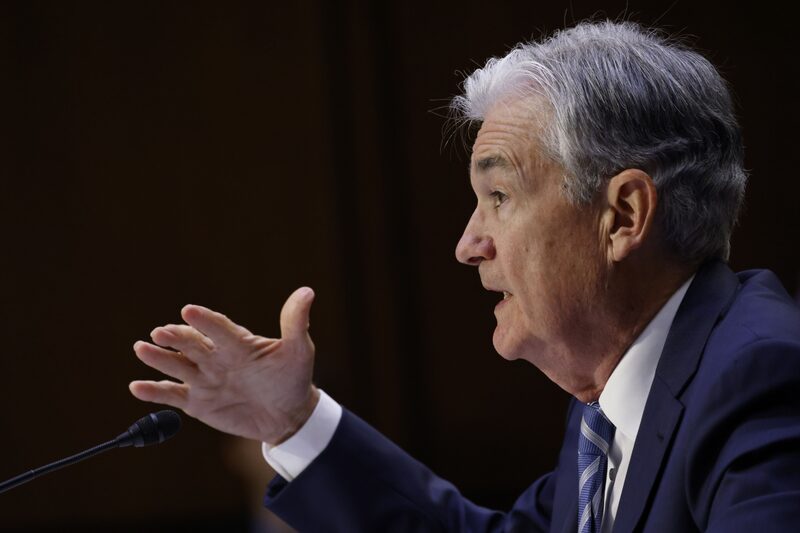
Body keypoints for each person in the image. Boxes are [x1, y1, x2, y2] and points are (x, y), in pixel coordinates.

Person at [129, 21, 800, 532]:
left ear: (622, 215)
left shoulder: (761, 379)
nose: (467, 245)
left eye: (500, 197)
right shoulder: (609, 406)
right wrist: (294, 420)